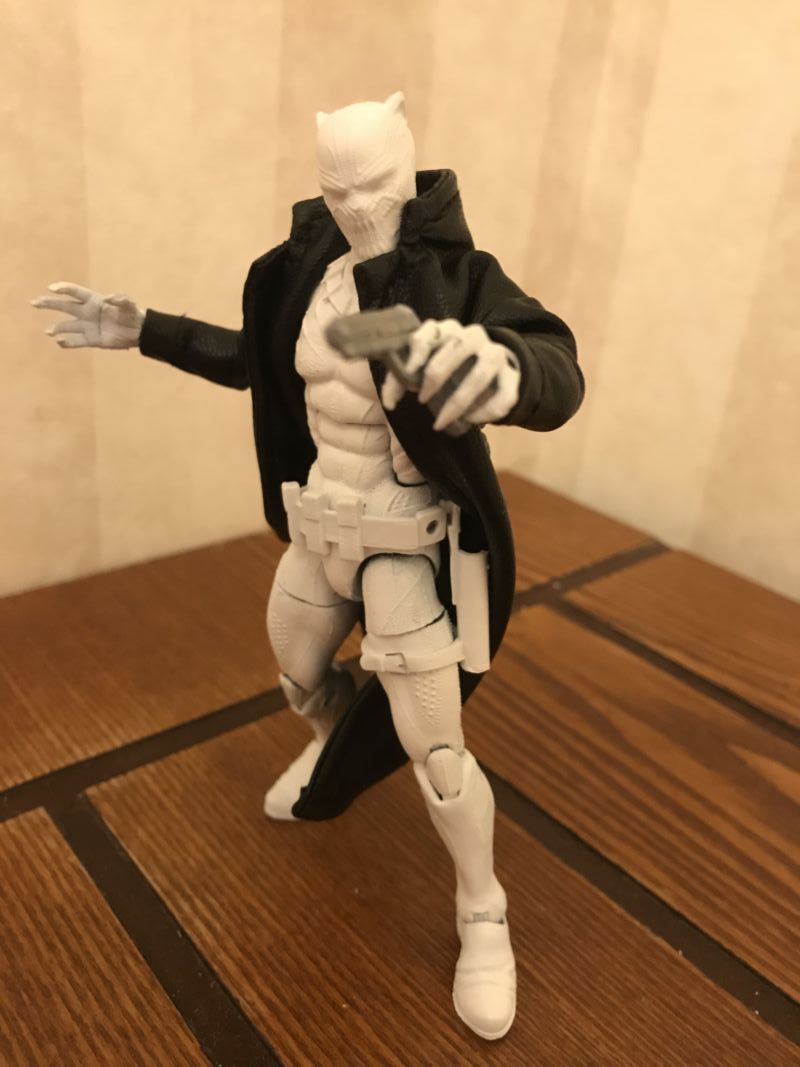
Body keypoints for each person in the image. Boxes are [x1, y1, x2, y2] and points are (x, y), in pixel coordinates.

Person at [33, 92, 583, 1040]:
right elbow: (256, 359)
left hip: (403, 542)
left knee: (437, 752)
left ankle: (482, 909)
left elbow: (552, 362)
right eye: (338, 189)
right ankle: (336, 742)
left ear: (408, 172)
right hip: (320, 528)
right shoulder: (310, 280)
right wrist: (144, 328)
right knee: (295, 669)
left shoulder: (454, 280)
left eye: (373, 186)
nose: (357, 207)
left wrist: (506, 373)